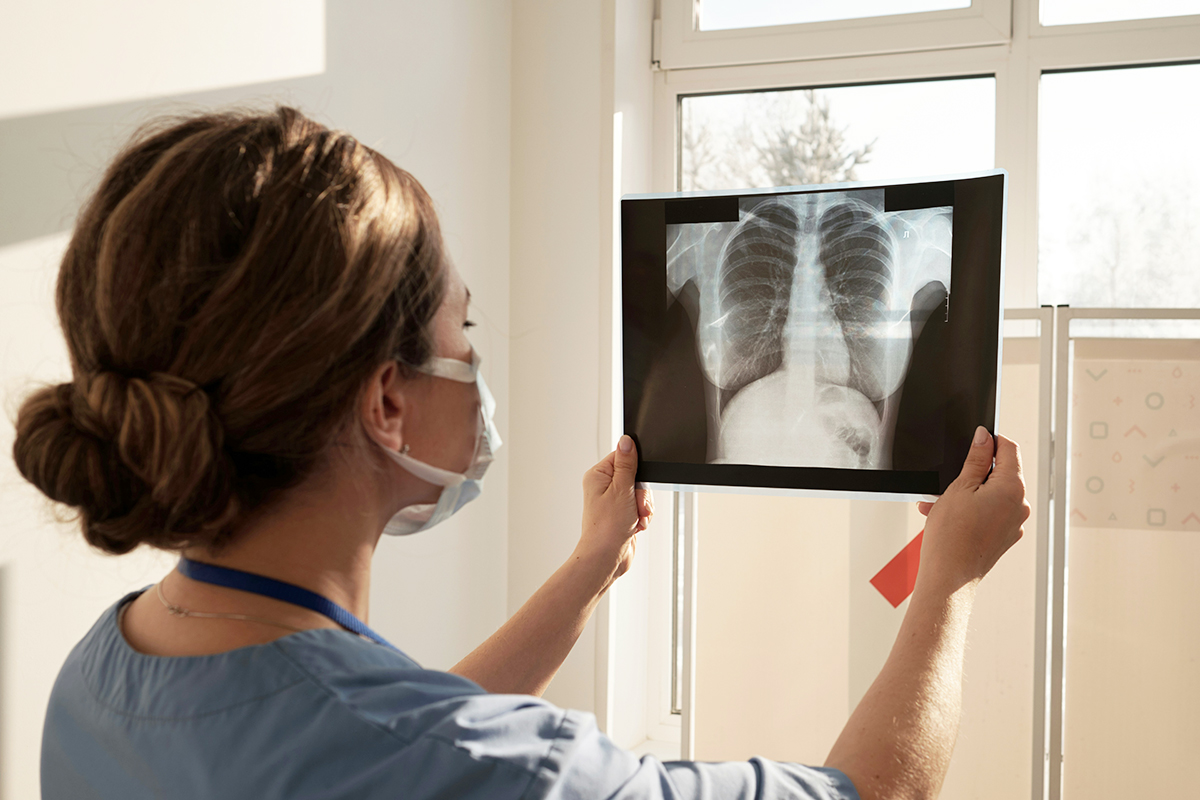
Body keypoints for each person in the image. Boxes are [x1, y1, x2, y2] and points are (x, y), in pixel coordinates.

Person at [13, 107, 1030, 800]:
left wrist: (590, 566)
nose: (477, 360)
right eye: (464, 331)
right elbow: (866, 794)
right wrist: (948, 582)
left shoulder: (100, 676)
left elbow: (399, 736)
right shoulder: (505, 771)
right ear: (386, 400)